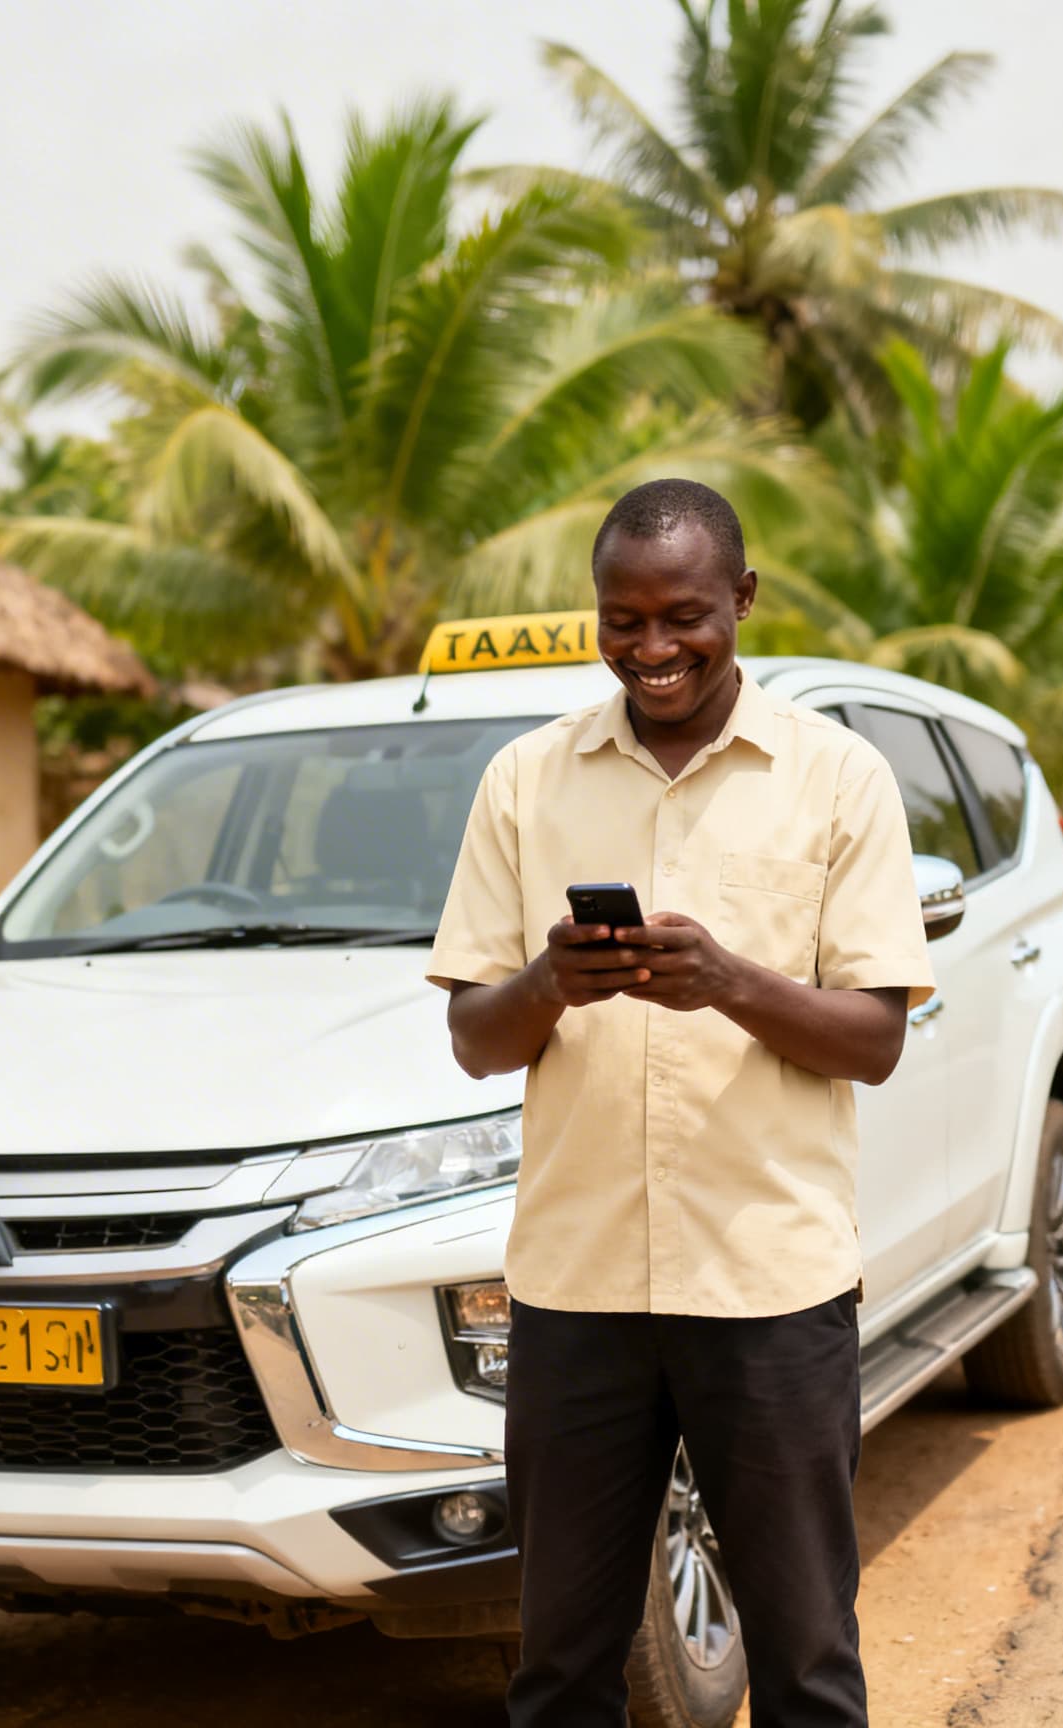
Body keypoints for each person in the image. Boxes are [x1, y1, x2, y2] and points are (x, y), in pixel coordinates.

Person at [427, 478, 936, 1726]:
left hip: (766, 1291)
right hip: (576, 1292)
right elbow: (474, 1042)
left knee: (808, 1665)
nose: (652, 648)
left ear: (744, 601)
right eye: (623, 618)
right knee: (558, 1671)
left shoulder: (838, 780)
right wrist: (551, 980)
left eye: (684, 616)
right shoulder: (524, 783)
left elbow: (874, 1038)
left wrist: (727, 982)